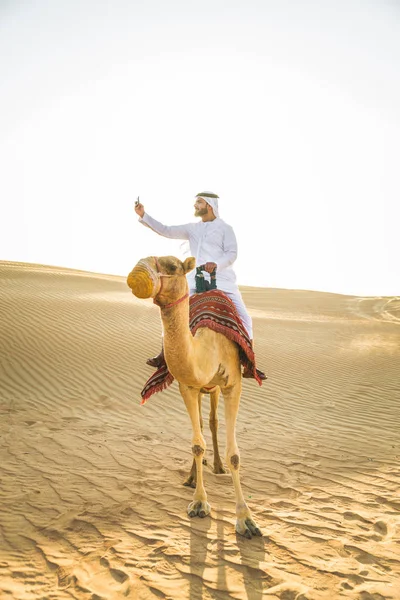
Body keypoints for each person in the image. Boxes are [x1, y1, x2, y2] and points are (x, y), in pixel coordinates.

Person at [134, 191, 266, 380]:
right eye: (196, 202)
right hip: (195, 279)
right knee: (175, 312)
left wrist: (217, 264)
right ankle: (163, 354)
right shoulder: (192, 228)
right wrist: (143, 215)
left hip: (222, 280)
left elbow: (232, 253)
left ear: (209, 206)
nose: (195, 206)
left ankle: (250, 364)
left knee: (245, 318)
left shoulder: (225, 229)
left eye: (199, 202)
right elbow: (166, 230)